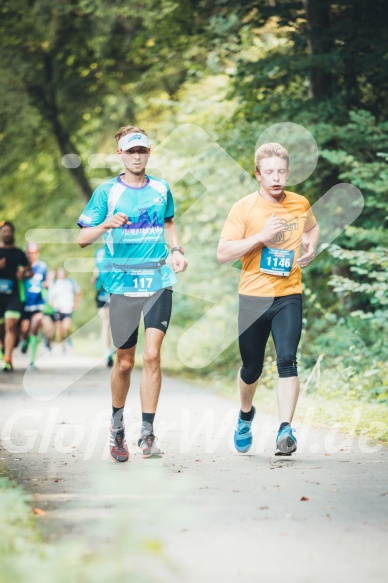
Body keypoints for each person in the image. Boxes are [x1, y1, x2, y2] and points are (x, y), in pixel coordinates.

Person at [77, 125, 188, 462]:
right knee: (125, 362)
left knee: (152, 356)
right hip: (123, 283)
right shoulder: (106, 192)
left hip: (157, 279)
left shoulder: (161, 188)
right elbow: (82, 239)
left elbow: (168, 224)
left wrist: (177, 250)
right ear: (120, 155)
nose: (137, 156)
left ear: (149, 153)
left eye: (142, 150)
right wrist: (106, 224)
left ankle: (148, 433)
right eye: (131, 151)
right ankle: (116, 427)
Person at [217, 143, 320, 455]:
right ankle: (246, 415)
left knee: (287, 359)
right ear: (258, 175)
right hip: (253, 297)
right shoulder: (244, 208)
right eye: (269, 172)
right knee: (251, 368)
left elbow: (312, 229)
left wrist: (310, 246)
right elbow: (223, 254)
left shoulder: (300, 203)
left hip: (288, 294)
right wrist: (260, 236)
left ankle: (285, 430)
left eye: (281, 171)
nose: (276, 178)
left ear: (287, 173)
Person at [0, 221, 33, 371]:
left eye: (9, 231)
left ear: (12, 233)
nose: (7, 234)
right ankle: (3, 347)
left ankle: (8, 358)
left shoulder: (19, 253)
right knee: (2, 328)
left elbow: (30, 272)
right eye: (4, 231)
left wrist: (23, 274)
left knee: (11, 325)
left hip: (13, 296)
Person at [20, 242, 48, 368]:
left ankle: (32, 361)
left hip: (38, 303)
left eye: (33, 253)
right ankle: (25, 341)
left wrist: (47, 286)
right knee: (25, 330)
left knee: (35, 326)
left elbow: (46, 282)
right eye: (29, 253)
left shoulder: (42, 267)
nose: (31, 255)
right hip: (24, 303)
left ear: (37, 253)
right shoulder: (21, 267)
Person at [91, 245, 115, 367]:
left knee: (117, 321)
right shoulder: (98, 252)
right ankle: (108, 353)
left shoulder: (120, 247)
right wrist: (94, 277)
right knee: (106, 322)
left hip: (117, 289)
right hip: (101, 289)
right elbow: (97, 268)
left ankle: (116, 347)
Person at [49, 267, 82, 348]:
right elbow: (50, 298)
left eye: (63, 272)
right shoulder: (55, 283)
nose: (62, 274)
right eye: (60, 272)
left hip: (68, 308)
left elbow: (79, 292)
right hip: (58, 309)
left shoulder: (71, 282)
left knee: (66, 327)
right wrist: (54, 305)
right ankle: (62, 345)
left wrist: (76, 303)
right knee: (59, 329)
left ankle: (67, 337)